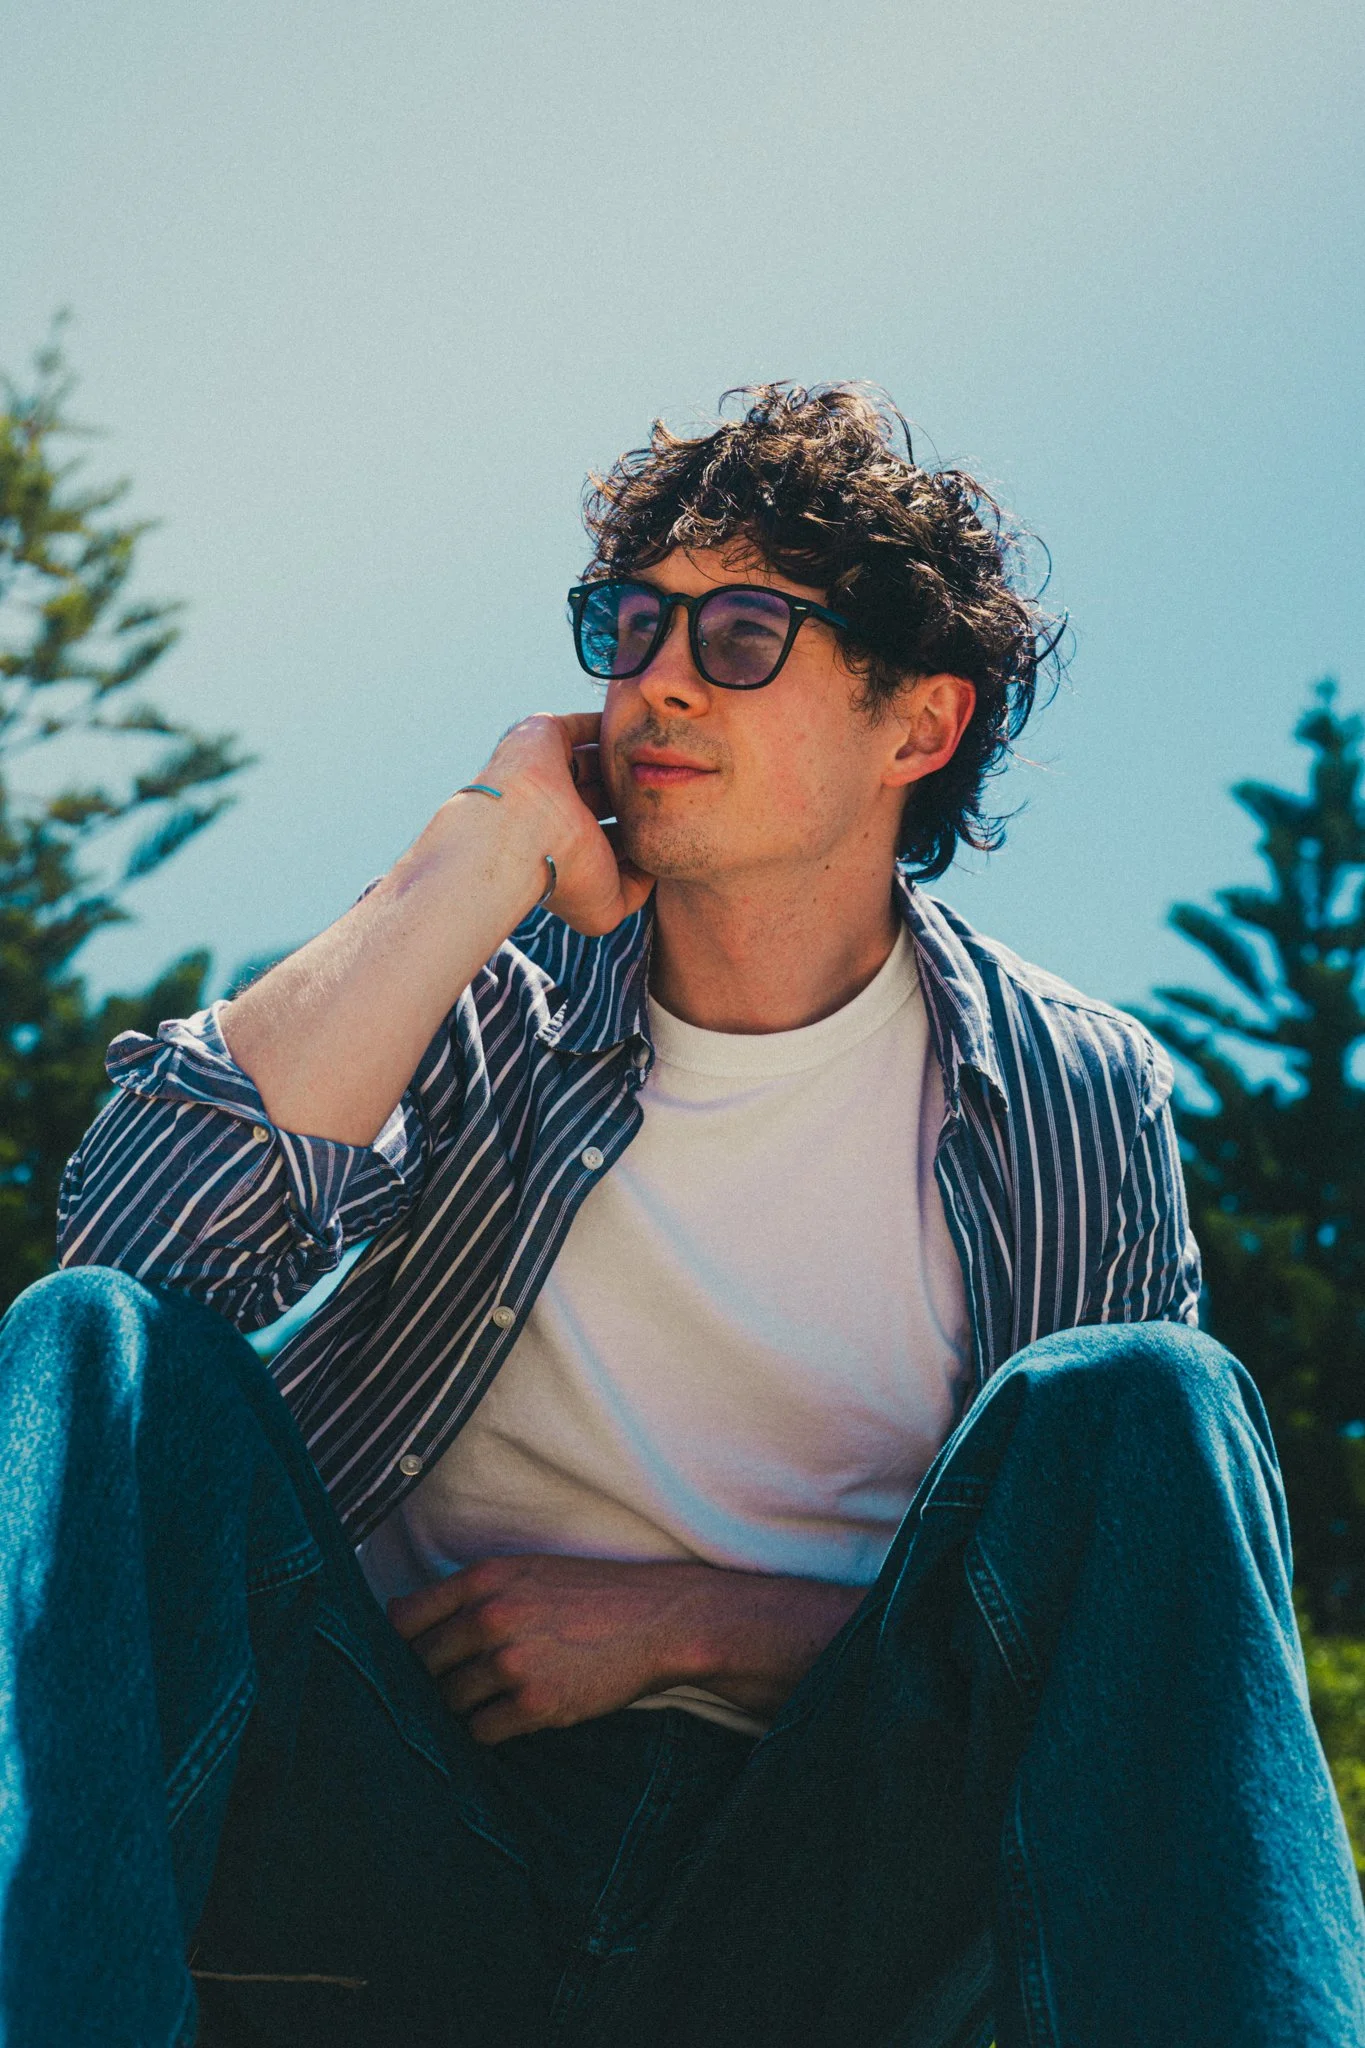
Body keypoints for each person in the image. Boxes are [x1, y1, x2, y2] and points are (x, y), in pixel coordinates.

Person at [3, 384, 1361, 2048]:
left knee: (1151, 1399)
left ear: (918, 726)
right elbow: (123, 1269)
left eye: (741, 634)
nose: (656, 676)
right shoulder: (479, 981)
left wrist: (692, 1628)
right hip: (398, 1840)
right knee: (96, 1344)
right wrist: (474, 858)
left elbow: (1116, 1635)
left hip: (815, 1890)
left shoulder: (1072, 1092)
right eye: (631, 624)